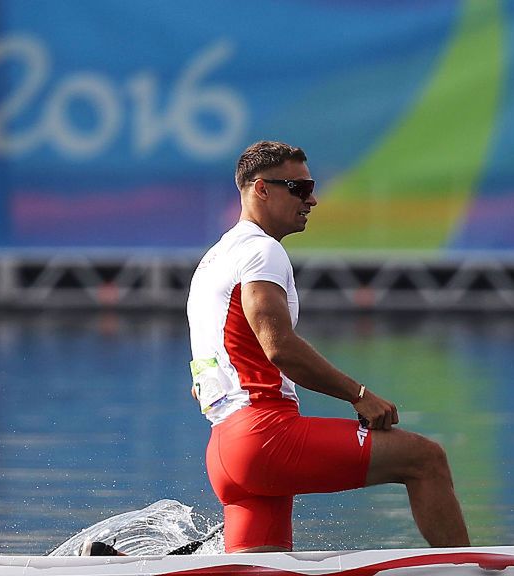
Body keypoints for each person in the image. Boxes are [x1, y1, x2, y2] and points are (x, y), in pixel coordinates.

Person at [183, 140, 470, 553]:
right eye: (300, 188)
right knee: (426, 460)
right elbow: (279, 347)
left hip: (226, 450)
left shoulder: (212, 260)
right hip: (266, 437)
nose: (312, 199)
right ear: (261, 189)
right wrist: (359, 395)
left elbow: (209, 361)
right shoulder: (261, 251)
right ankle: (465, 567)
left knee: (265, 570)